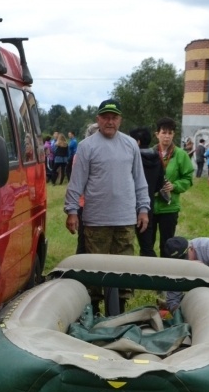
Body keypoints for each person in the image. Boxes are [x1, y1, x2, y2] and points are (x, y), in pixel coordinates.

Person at [64, 99, 150, 312]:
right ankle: (93, 311)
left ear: (120, 120)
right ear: (98, 119)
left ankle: (119, 311)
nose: (110, 121)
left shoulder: (130, 145)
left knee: (123, 269)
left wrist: (143, 209)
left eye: (114, 117)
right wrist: (72, 211)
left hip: (125, 219)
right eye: (105, 117)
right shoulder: (86, 147)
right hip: (96, 220)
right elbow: (76, 182)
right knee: (95, 270)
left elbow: (140, 180)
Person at [152, 117, 194, 258]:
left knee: (167, 244)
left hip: (169, 207)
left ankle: (166, 275)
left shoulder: (181, 155)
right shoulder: (150, 154)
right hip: (150, 206)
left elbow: (188, 178)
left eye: (170, 133)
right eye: (164, 132)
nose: (167, 136)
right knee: (147, 244)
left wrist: (175, 186)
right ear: (157, 134)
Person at [129, 126, 164, 257]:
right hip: (147, 204)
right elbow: (160, 184)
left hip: (129, 205)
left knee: (123, 245)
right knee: (147, 246)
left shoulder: (132, 158)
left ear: (137, 142)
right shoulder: (157, 158)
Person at [74, 123, 99, 254]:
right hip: (85, 204)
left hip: (100, 204)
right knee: (84, 239)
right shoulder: (81, 154)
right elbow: (77, 182)